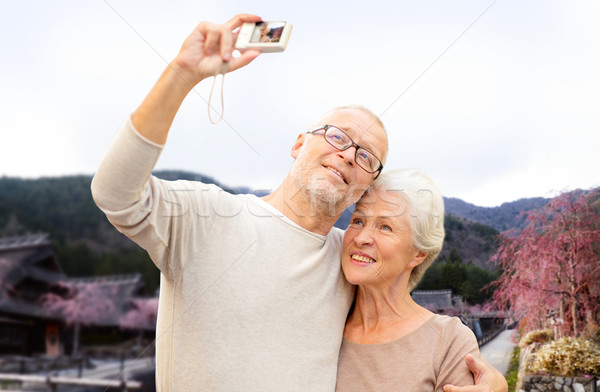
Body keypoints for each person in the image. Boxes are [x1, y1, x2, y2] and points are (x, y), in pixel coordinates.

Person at [91, 13, 507, 392]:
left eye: (366, 156)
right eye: (337, 136)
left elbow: (404, 327)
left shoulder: (349, 262)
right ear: (298, 143)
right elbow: (114, 193)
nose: (347, 154)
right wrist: (181, 74)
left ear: (365, 187)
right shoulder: (207, 216)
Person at [336, 169, 488, 391]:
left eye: (385, 227)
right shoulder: (324, 324)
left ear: (418, 254)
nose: (360, 238)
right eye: (358, 220)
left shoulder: (448, 341)